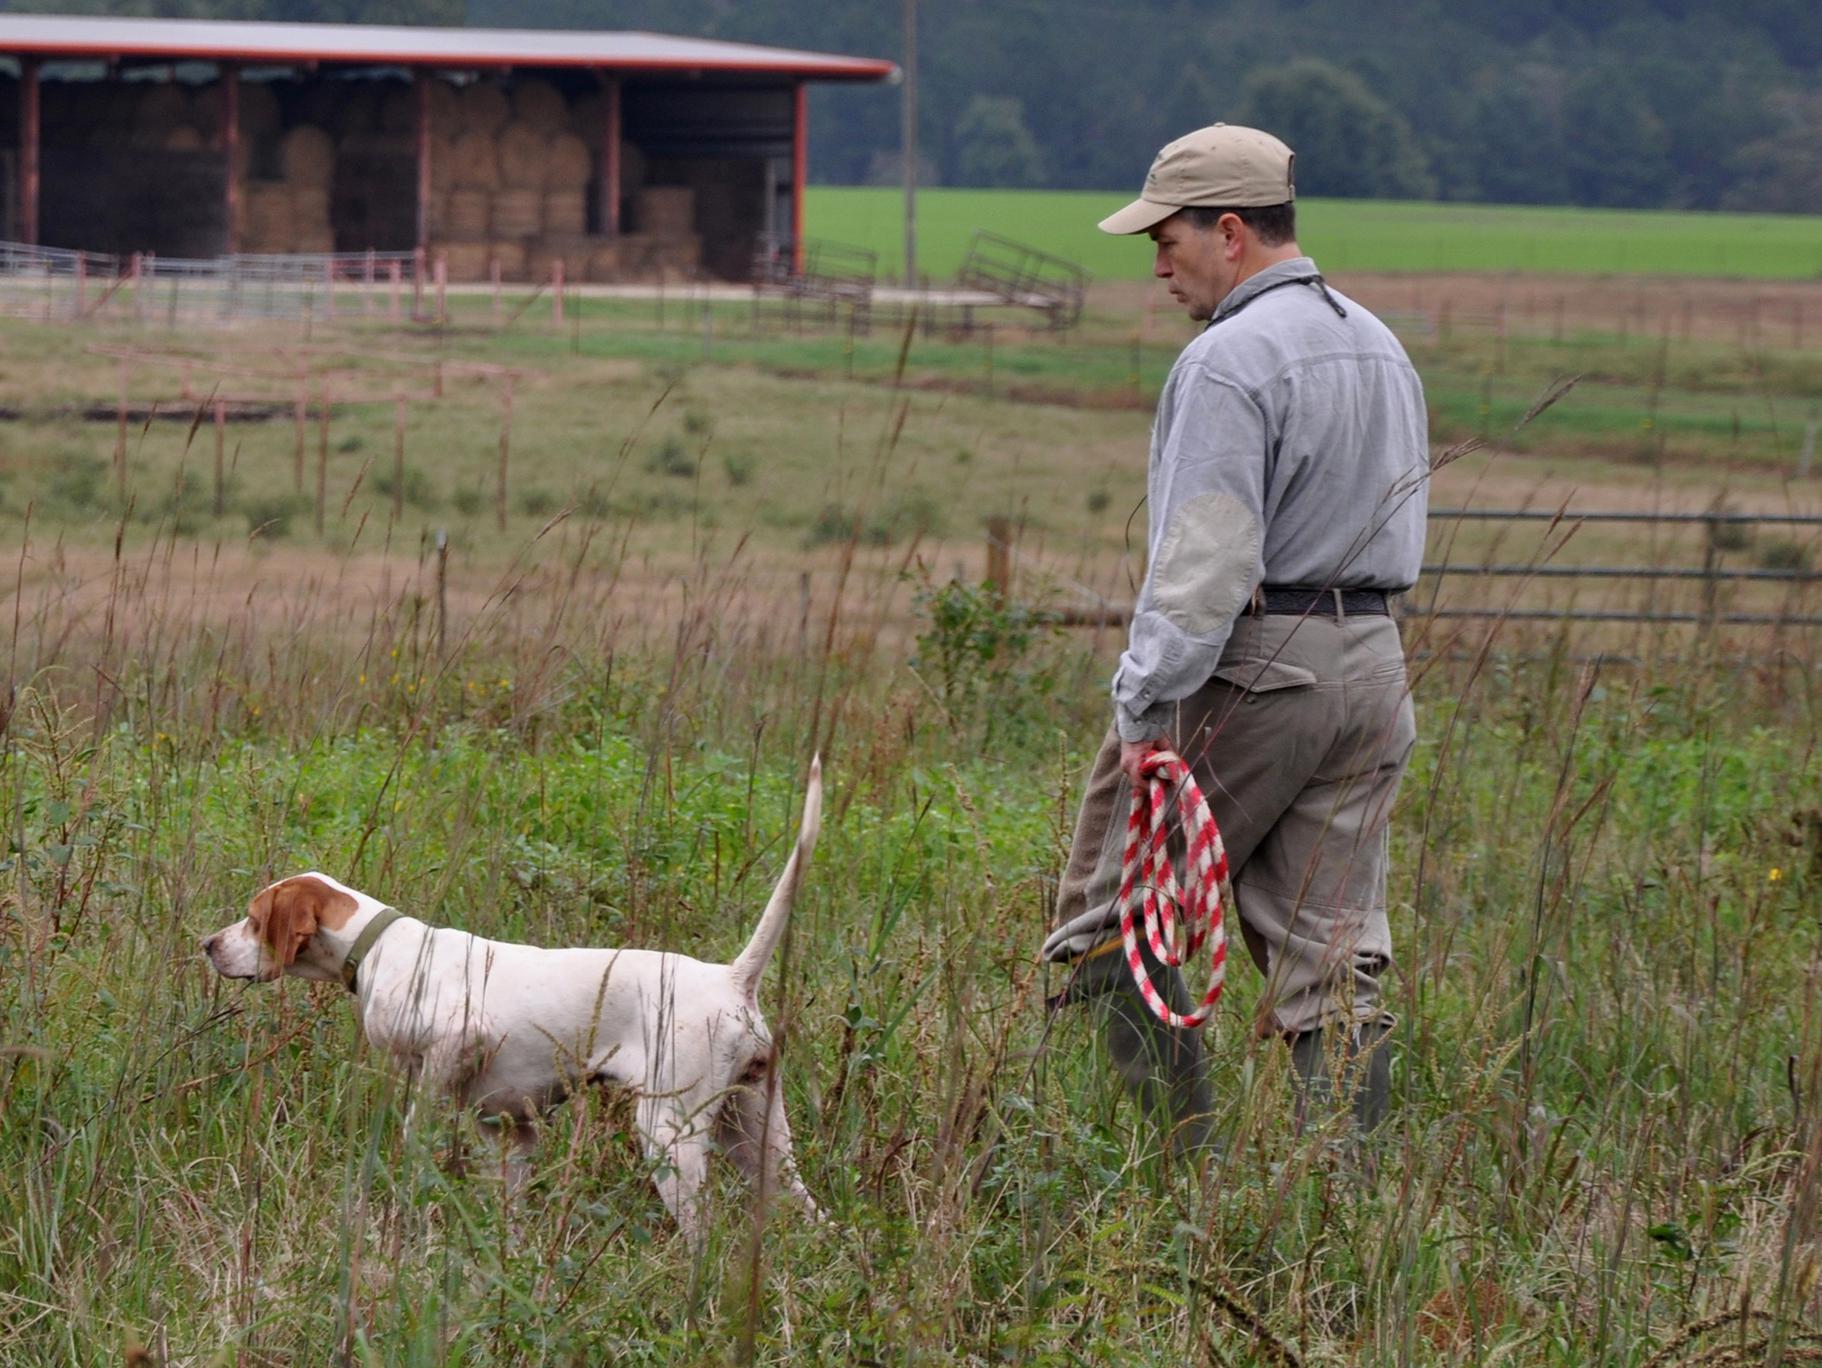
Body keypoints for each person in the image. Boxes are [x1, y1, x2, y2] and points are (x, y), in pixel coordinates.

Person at [1042, 123, 1428, 1151]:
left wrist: (1143, 710)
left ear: (1227, 231)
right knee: (1332, 957)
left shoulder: (1226, 361)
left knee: (1106, 924)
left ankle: (1168, 1174)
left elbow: (1205, 562)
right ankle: (1345, 1214)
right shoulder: (1378, 344)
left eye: (1165, 240)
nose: (1156, 263)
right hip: (1373, 668)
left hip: (1258, 669)